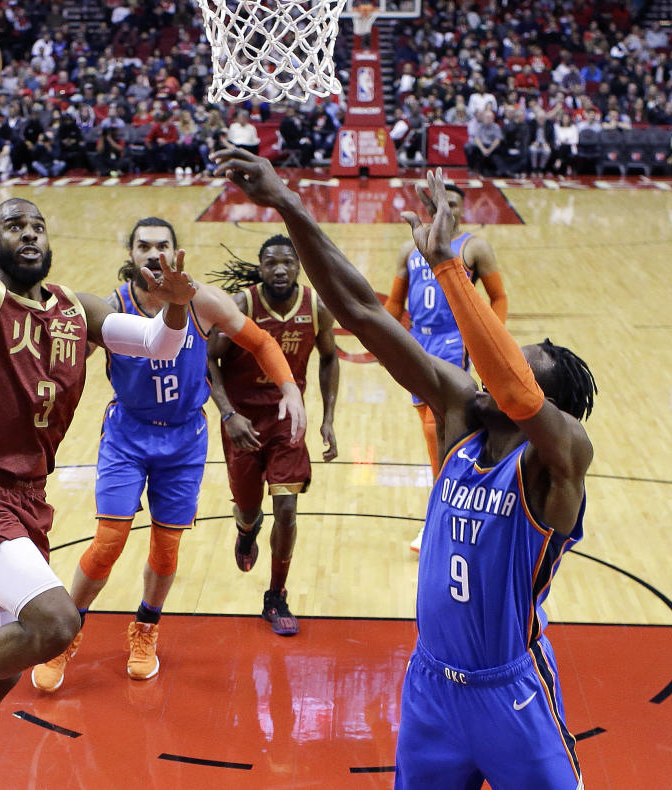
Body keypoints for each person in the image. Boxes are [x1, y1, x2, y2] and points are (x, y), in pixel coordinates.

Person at [210, 146, 596, 790]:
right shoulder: (458, 419)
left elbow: (518, 391)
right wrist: (289, 204)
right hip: (430, 689)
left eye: (515, 362)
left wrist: (447, 266)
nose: (487, 370)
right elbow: (360, 309)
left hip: (511, 695)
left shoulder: (558, 461)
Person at [0, 41, 197, 790]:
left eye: (38, 226)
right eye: (15, 228)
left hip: (26, 502)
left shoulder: (76, 310)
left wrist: (181, 308)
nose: (31, 233)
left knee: (9, 657)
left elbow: (157, 344)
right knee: (56, 624)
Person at [30, 217, 307, 691]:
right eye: (143, 246)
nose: (153, 253)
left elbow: (259, 340)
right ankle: (65, 634)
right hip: (128, 435)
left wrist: (290, 389)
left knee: (166, 545)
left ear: (177, 253)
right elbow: (66, 361)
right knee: (108, 541)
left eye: (162, 245)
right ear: (131, 253)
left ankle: (146, 628)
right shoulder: (112, 308)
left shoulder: (203, 302)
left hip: (183, 439)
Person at [206, 235, 339, 635]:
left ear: (299, 267)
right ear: (260, 267)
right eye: (270, 262)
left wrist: (328, 418)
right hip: (243, 421)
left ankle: (276, 595)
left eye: (288, 262)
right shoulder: (242, 305)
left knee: (287, 509)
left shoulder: (315, 307)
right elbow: (208, 358)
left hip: (286, 420)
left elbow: (330, 358)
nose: (280, 269)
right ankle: (247, 530)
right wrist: (228, 414)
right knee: (248, 509)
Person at [383, 182, 506, 552]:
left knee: (441, 431)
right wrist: (383, 344)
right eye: (437, 204)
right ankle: (449, 511)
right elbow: (392, 306)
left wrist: (491, 343)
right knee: (431, 432)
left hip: (456, 341)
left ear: (460, 211)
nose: (443, 209)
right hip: (419, 341)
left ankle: (439, 518)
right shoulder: (410, 248)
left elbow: (498, 297)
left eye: (450, 204)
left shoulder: (474, 247)